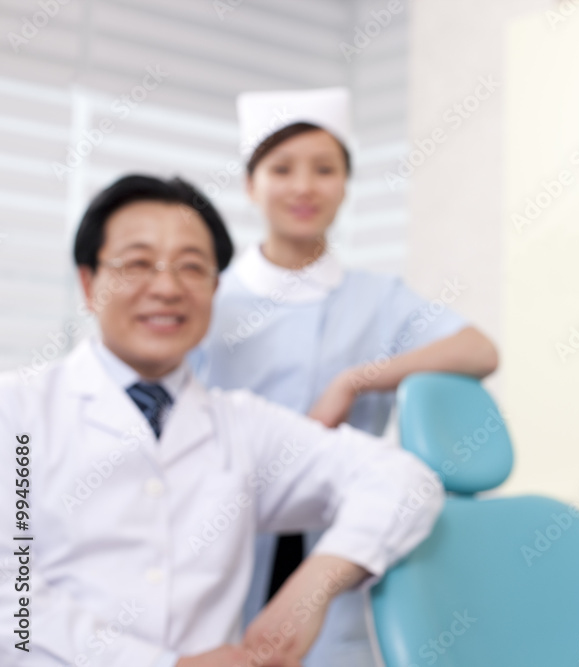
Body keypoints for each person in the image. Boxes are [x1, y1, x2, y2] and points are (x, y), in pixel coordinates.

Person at [0, 175, 444, 667]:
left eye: (192, 267)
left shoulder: (243, 426)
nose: (166, 287)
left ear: (215, 288)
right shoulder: (16, 411)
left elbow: (406, 481)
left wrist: (315, 585)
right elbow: (12, 600)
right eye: (138, 263)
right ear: (89, 283)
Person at [192, 87, 498, 667]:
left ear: (345, 186)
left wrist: (359, 379)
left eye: (324, 169)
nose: (304, 186)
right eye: (281, 169)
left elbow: (478, 349)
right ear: (250, 184)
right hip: (223, 535)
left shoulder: (378, 298)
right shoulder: (212, 299)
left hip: (340, 546)